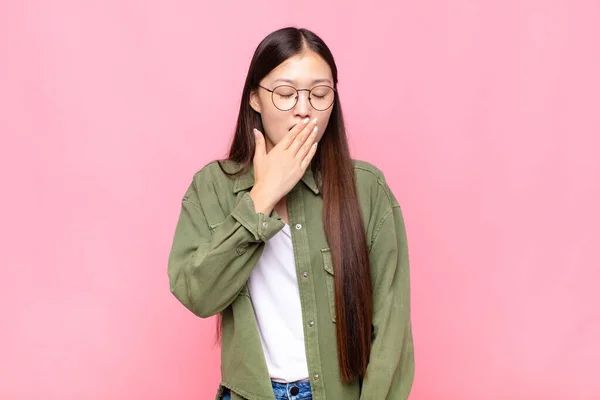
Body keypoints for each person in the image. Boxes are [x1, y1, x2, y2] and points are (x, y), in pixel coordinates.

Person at [167, 26, 415, 400]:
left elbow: (391, 333)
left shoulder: (367, 189)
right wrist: (262, 197)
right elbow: (198, 295)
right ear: (255, 98)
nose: (303, 108)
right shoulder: (212, 187)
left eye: (319, 94)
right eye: (285, 93)